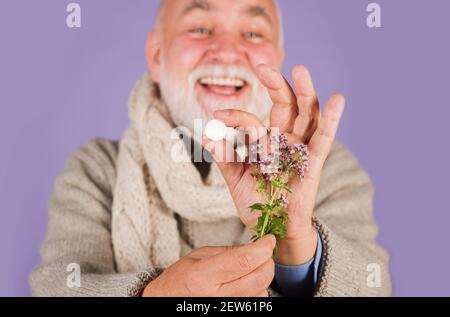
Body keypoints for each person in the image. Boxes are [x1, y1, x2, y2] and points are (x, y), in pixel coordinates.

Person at [30, 0, 391, 297]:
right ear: (157, 56)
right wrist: (157, 294)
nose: (228, 52)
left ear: (277, 58)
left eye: (252, 32)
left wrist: (295, 239)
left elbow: (372, 287)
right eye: (200, 28)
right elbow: (56, 287)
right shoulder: (96, 170)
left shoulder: (323, 168)